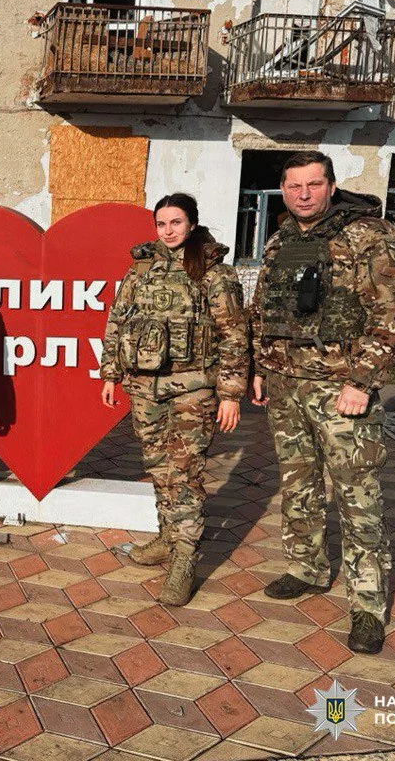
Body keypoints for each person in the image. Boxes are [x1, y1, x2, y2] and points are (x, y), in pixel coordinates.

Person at [251, 151, 395, 654]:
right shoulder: (280, 240)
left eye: (313, 185)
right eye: (293, 185)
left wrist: (362, 382)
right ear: (282, 188)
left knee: (357, 495)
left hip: (341, 388)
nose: (303, 194)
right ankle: (307, 566)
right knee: (298, 482)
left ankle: (366, 605)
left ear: (331, 186)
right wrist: (261, 368)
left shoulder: (369, 236)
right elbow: (264, 308)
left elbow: (391, 317)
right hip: (285, 385)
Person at [100, 193, 248, 606]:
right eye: (162, 223)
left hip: (194, 388)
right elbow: (117, 320)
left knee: (184, 472)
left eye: (176, 222)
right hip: (145, 387)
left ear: (193, 223)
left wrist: (231, 394)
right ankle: (167, 537)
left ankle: (185, 557)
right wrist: (111, 373)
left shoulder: (214, 274)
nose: (168, 231)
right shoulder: (141, 269)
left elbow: (235, 336)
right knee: (157, 464)